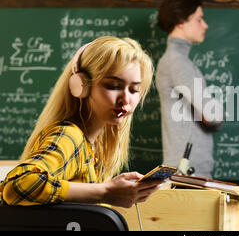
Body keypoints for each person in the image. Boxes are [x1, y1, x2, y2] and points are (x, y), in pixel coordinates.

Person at [0, 36, 163, 207]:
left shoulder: (93, 147)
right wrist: (106, 192)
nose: (125, 99)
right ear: (81, 86)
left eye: (134, 89)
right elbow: (17, 186)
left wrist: (110, 190)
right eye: (113, 86)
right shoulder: (69, 136)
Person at [156, 0, 223, 179]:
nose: (205, 25)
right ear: (180, 21)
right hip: (187, 171)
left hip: (186, 169)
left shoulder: (176, 62)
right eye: (199, 19)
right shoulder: (178, 63)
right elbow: (213, 116)